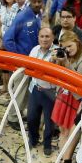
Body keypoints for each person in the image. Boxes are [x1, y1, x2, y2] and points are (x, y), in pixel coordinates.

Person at [3, 0, 44, 129]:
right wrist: (18, 58)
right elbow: (7, 39)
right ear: (29, 1)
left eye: (39, 2)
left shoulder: (38, 15)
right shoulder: (22, 17)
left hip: (32, 62)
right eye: (34, 2)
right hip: (23, 62)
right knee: (19, 91)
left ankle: (18, 113)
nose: (37, 4)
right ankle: (13, 118)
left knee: (26, 91)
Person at [50, 31, 82, 142]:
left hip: (76, 98)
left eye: (70, 46)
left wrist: (65, 62)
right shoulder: (65, 55)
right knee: (62, 130)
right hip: (63, 92)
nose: (68, 49)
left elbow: (77, 79)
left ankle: (66, 156)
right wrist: (54, 60)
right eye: (64, 47)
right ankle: (62, 155)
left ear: (77, 43)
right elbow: (56, 73)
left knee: (70, 132)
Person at [26, 27, 58, 155]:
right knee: (31, 118)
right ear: (38, 37)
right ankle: (33, 139)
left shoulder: (57, 52)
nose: (44, 39)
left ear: (52, 38)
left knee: (49, 122)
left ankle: (47, 144)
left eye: (47, 36)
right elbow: (29, 66)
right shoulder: (34, 50)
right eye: (42, 36)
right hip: (35, 89)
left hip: (50, 92)